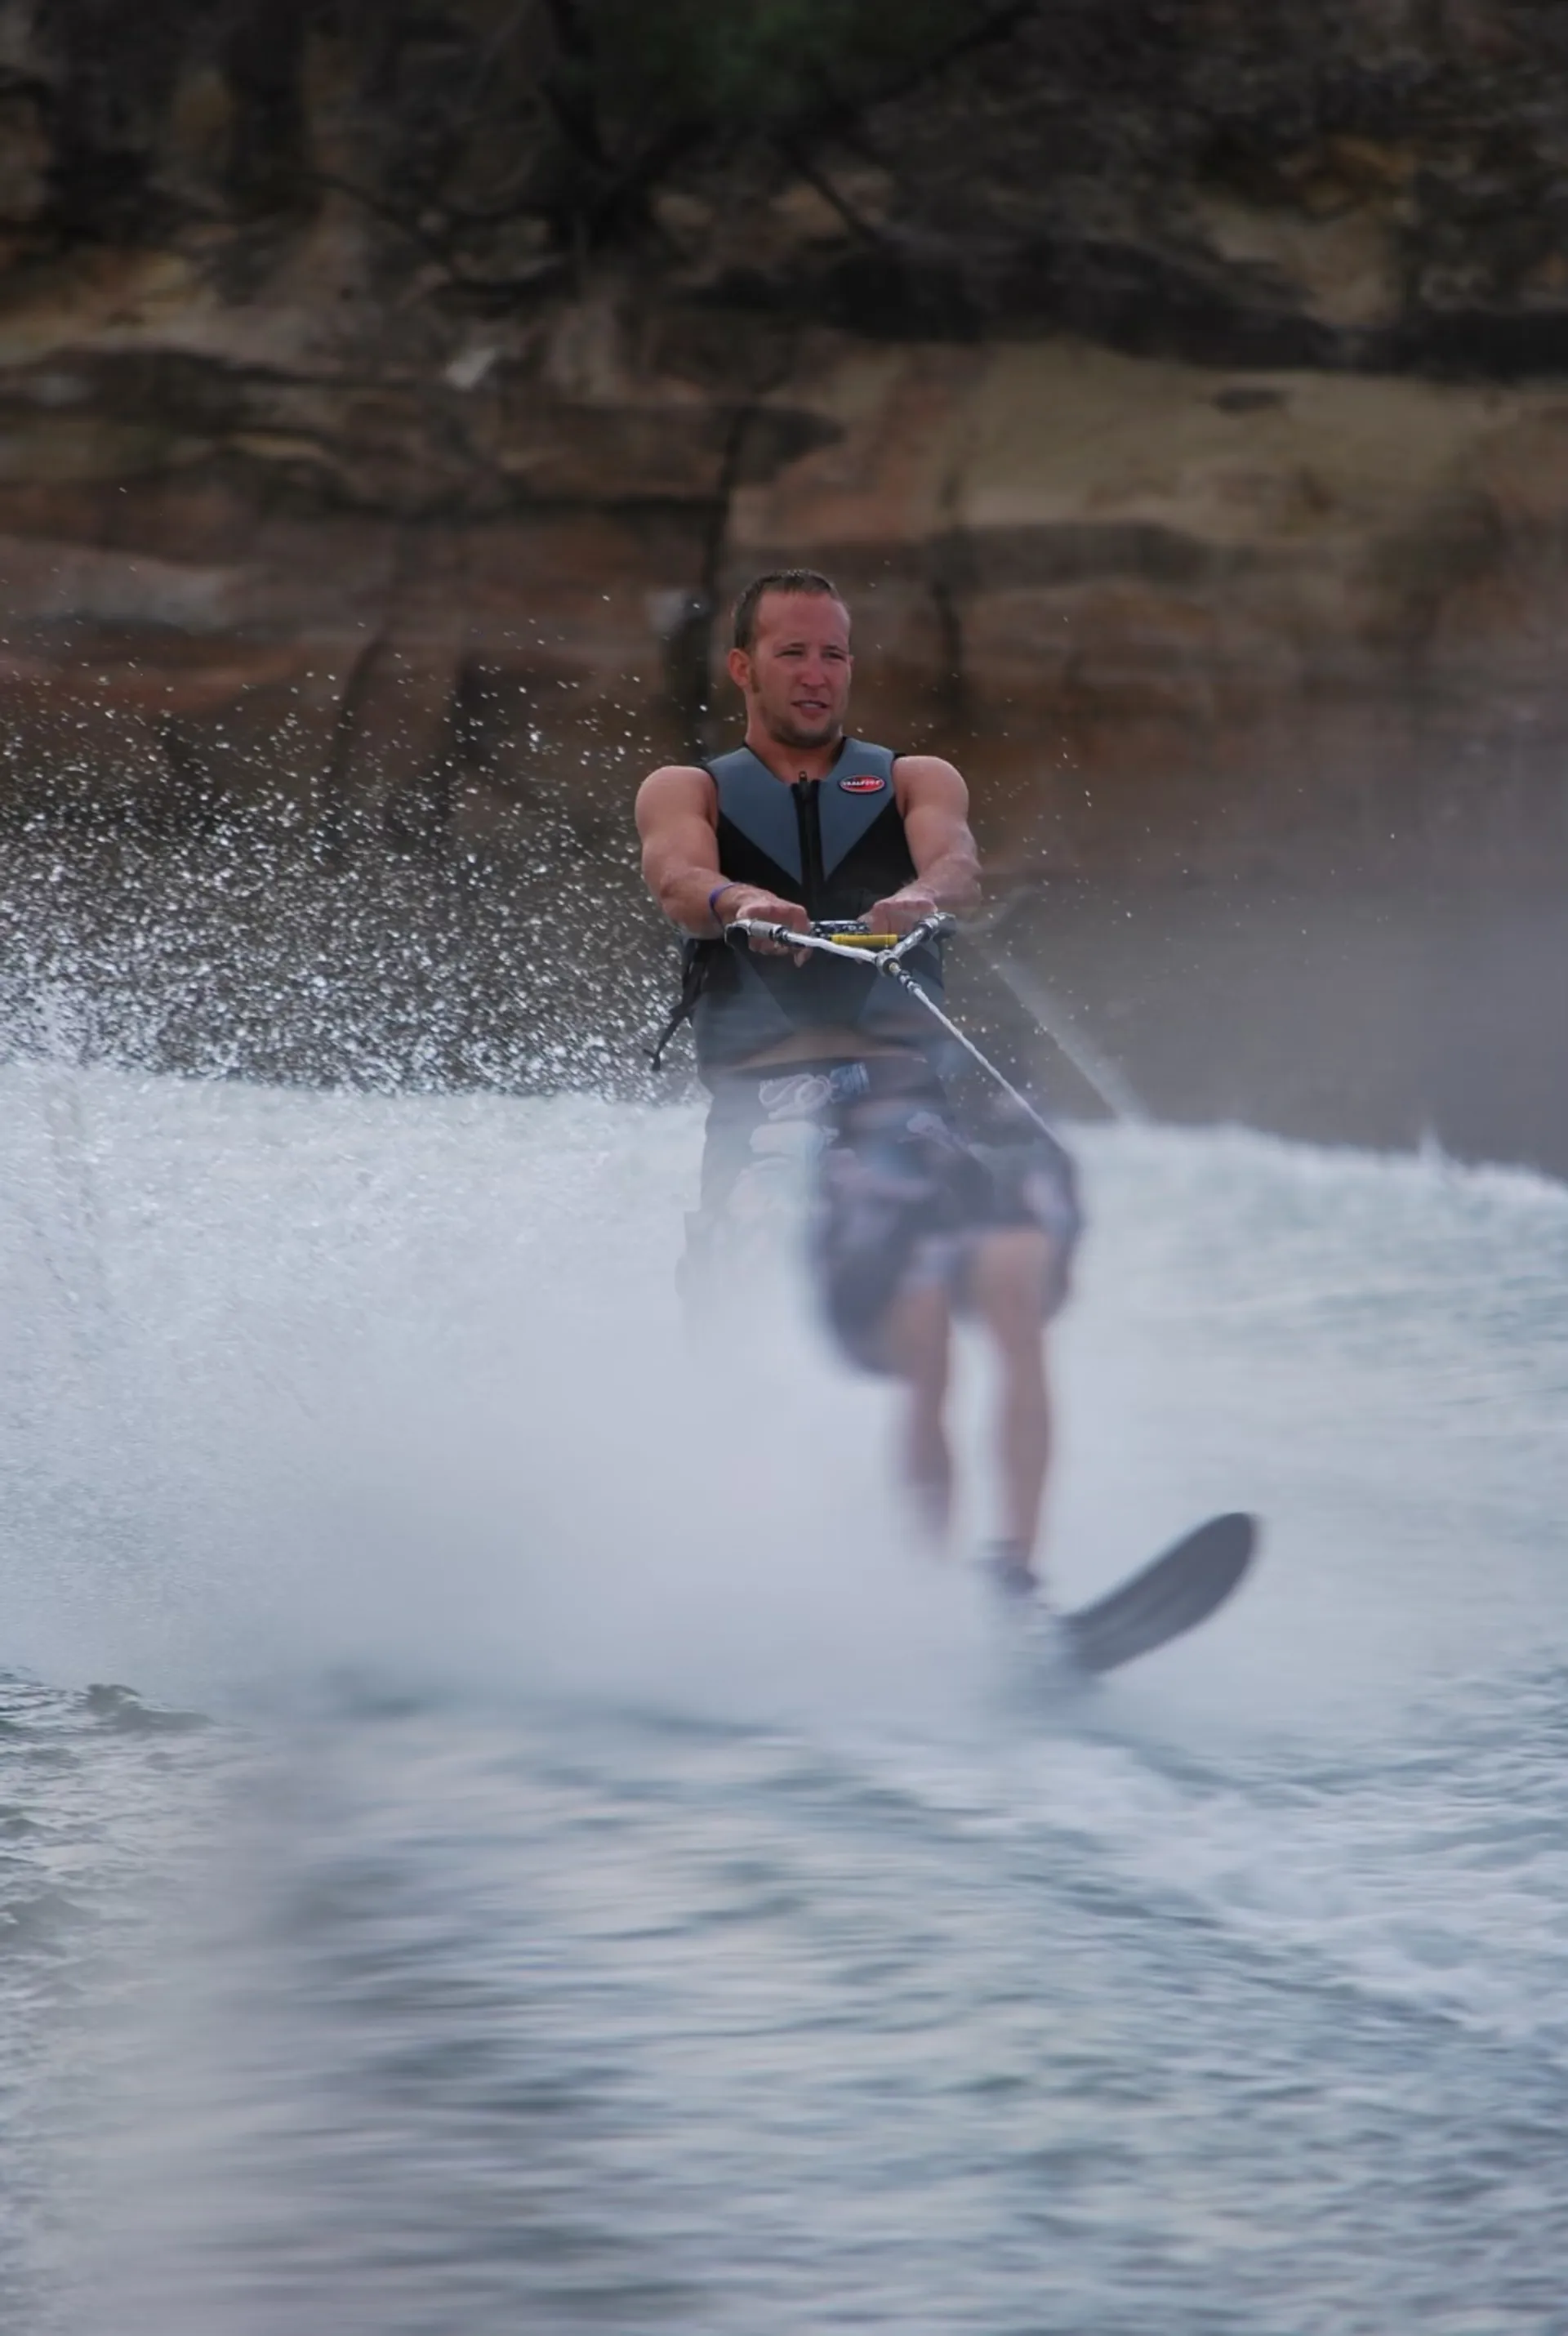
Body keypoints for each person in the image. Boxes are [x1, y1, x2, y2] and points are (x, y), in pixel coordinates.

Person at [635, 568, 1080, 1595]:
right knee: (736, 1324)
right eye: (793, 651)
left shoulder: (916, 777)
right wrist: (741, 898)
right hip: (763, 1108)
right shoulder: (689, 789)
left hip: (895, 1104)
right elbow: (675, 876)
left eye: (834, 652)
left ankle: (988, 1574)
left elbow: (958, 863)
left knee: (966, 1300)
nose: (817, 672)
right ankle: (731, 1563)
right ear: (745, 666)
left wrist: (916, 900)